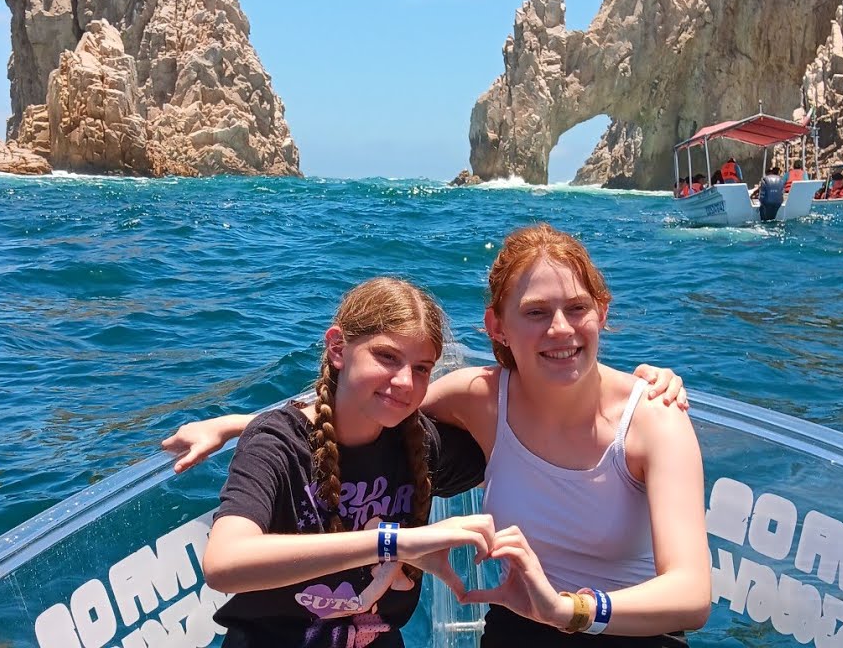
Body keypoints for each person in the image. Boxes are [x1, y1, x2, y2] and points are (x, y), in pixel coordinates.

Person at [169, 226, 705, 646]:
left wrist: (569, 611)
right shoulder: (480, 397)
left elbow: (692, 595)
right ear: (498, 328)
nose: (560, 330)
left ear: (602, 313)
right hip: (516, 629)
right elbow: (357, 409)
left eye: (577, 309)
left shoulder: (654, 417)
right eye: (536, 313)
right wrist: (239, 426)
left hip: (627, 631)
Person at [200, 277, 498, 647]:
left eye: (422, 368)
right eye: (387, 356)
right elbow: (224, 564)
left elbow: (522, 465)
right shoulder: (277, 445)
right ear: (338, 348)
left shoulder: (418, 443)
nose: (405, 381)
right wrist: (392, 543)